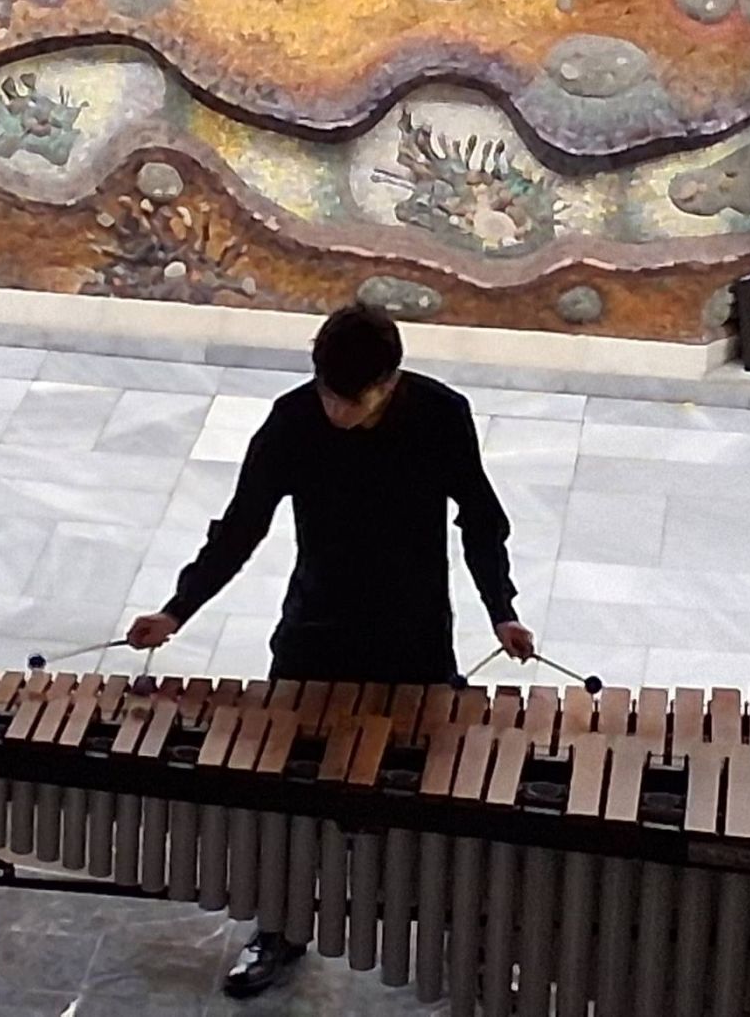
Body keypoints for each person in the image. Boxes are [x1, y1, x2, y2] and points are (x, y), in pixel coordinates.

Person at [125, 302, 534, 998]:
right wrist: (177, 609)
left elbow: (480, 520)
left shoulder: (441, 415)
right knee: (288, 795)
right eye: (328, 394)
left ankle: (453, 928)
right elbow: (241, 526)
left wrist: (502, 610)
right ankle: (279, 928)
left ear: (390, 382)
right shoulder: (292, 421)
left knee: (427, 792)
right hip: (317, 631)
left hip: (412, 635)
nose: (337, 410)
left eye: (354, 399)